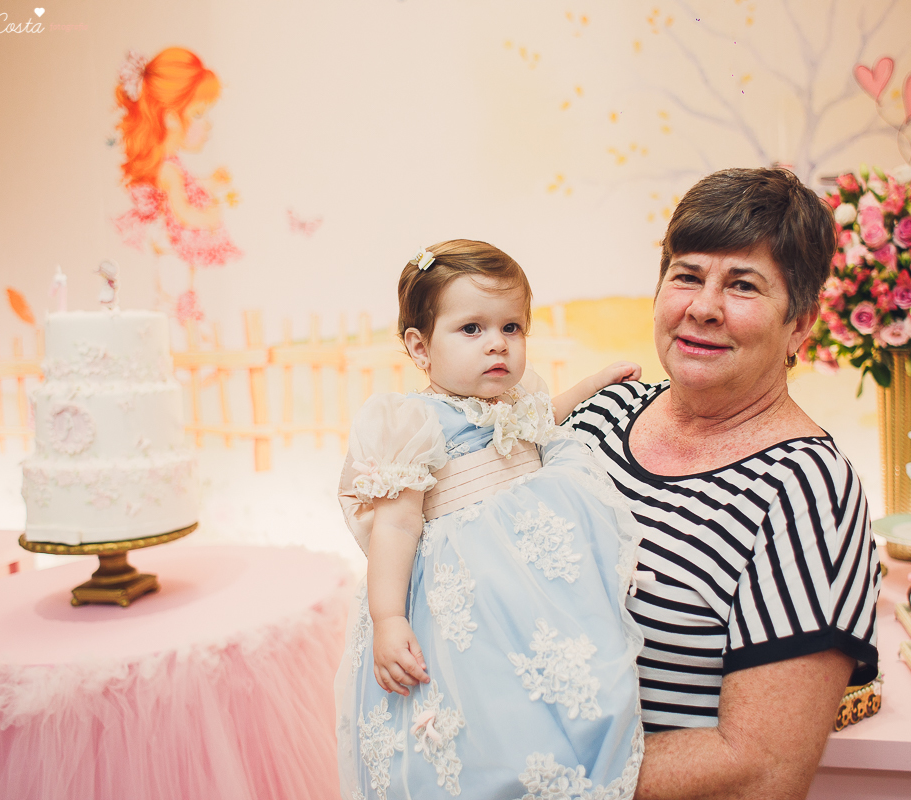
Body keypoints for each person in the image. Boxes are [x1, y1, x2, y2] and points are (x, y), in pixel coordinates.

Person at [566, 168, 881, 799]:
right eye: (686, 275)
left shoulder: (808, 492)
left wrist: (537, 774)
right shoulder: (596, 417)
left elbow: (761, 768)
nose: (703, 307)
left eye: (742, 285)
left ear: (800, 324)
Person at [335, 240, 646, 800]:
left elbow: (539, 421)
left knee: (553, 682)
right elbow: (397, 527)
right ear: (420, 346)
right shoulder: (413, 421)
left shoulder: (516, 399)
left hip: (529, 587)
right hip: (466, 597)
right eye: (472, 329)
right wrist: (388, 618)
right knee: (481, 704)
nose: (497, 344)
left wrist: (593, 386)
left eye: (512, 328)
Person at [112, 47, 240, 323]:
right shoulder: (168, 170)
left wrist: (209, 183)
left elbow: (186, 187)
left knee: (179, 301)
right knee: (176, 302)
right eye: (197, 114)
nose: (207, 125)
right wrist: (209, 218)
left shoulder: (169, 166)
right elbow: (181, 211)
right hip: (172, 250)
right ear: (170, 117)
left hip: (172, 254)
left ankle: (187, 339)